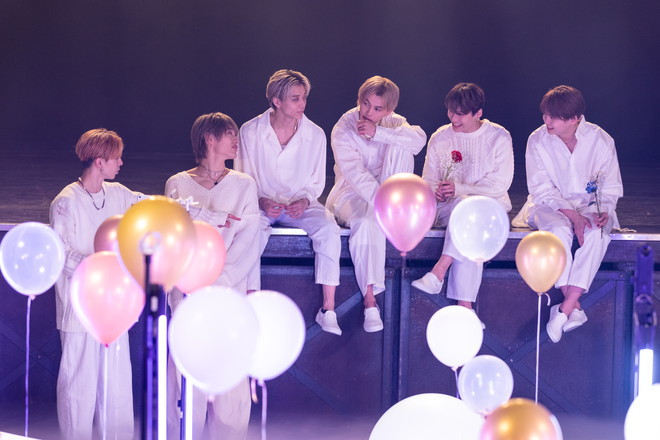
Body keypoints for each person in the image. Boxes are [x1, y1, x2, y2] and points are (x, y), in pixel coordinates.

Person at [165, 112, 259, 439]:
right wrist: (193, 279)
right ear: (209, 138)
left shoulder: (244, 184)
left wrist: (220, 280)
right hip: (187, 293)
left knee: (231, 380)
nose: (236, 140)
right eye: (229, 134)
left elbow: (248, 241)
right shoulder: (178, 184)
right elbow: (176, 234)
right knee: (187, 377)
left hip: (228, 292)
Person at [512, 85, 623, 343]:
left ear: (574, 118)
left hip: (589, 206)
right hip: (549, 205)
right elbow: (541, 188)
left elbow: (610, 187)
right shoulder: (537, 139)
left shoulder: (601, 140)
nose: (546, 120)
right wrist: (572, 215)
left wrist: (602, 211)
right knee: (559, 230)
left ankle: (564, 308)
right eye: (545, 114)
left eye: (553, 116)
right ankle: (574, 307)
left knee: (597, 234)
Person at [235, 69, 342, 335]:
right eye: (295, 98)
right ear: (276, 101)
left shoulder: (315, 134)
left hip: (300, 203)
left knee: (329, 228)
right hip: (260, 203)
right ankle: (249, 304)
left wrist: (304, 201)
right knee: (250, 233)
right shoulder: (250, 131)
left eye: (304, 97)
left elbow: (316, 181)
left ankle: (328, 308)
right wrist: (261, 200)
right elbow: (243, 177)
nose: (302, 103)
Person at [50, 128, 141, 439]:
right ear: (99, 162)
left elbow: (154, 206)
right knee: (79, 391)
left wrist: (204, 213)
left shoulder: (118, 194)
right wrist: (101, 267)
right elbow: (62, 253)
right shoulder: (66, 201)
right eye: (116, 158)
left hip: (113, 311)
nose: (121, 163)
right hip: (79, 312)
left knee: (117, 391)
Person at [326, 76, 427, 332]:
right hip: (350, 194)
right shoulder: (344, 127)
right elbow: (356, 175)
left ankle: (396, 206)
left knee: (402, 142)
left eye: (377, 108)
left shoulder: (394, 122)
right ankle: (370, 300)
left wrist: (379, 133)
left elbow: (419, 140)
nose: (368, 112)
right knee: (365, 221)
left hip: (388, 195)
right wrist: (384, 204)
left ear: (389, 110)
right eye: (365, 104)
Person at [412, 83, 514, 325]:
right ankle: (465, 308)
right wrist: (437, 191)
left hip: (490, 207)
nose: (453, 118)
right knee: (467, 216)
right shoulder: (440, 136)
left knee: (470, 213)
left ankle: (440, 270)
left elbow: (500, 184)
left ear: (478, 113)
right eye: (450, 111)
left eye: (460, 114)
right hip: (450, 206)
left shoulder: (498, 136)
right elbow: (428, 179)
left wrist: (461, 189)